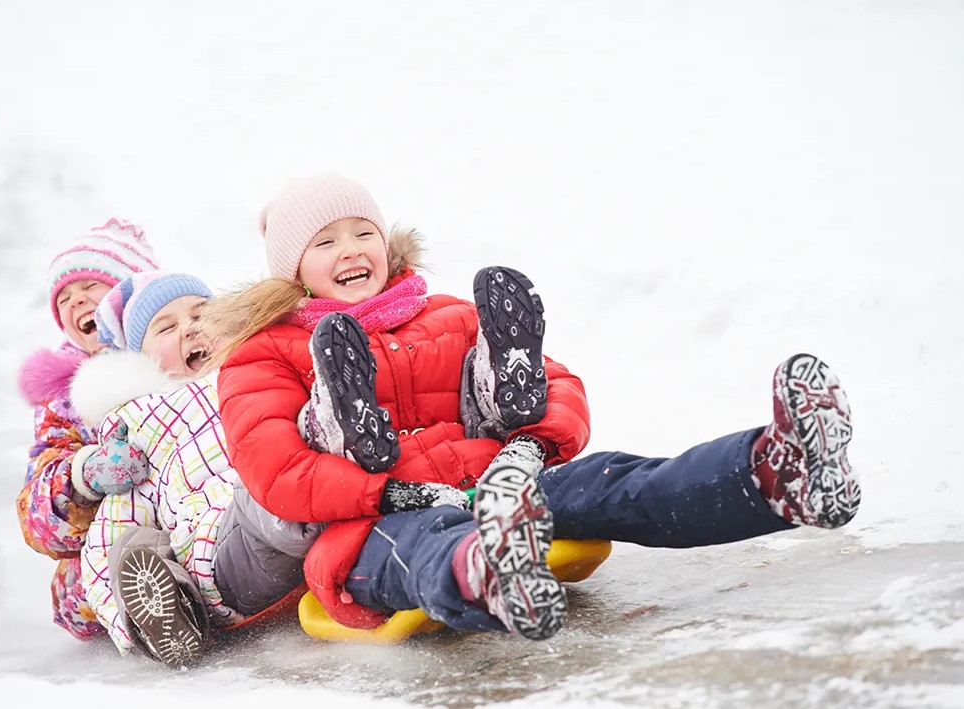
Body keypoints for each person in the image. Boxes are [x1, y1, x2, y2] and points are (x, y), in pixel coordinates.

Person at [211, 173, 862, 641]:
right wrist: (392, 493)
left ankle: (778, 474)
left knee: (610, 479)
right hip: (368, 523)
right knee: (423, 544)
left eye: (363, 231)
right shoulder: (264, 354)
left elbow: (562, 384)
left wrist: (528, 446)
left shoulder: (449, 317)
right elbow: (275, 471)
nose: (352, 248)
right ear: (292, 271)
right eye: (325, 242)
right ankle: (489, 566)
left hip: (499, 483)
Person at [73, 271, 322, 666]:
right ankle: (166, 615)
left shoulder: (263, 372)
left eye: (202, 314)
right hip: (222, 558)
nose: (190, 329)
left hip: (295, 486)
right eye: (166, 327)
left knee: (304, 443)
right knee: (132, 547)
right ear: (141, 362)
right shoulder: (139, 430)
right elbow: (105, 544)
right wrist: (126, 628)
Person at [16, 218, 158, 639]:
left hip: (192, 513)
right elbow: (35, 517)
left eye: (91, 287)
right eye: (64, 298)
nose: (77, 302)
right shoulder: (64, 402)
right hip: (112, 541)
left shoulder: (180, 352)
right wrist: (83, 477)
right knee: (90, 576)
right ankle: (151, 607)